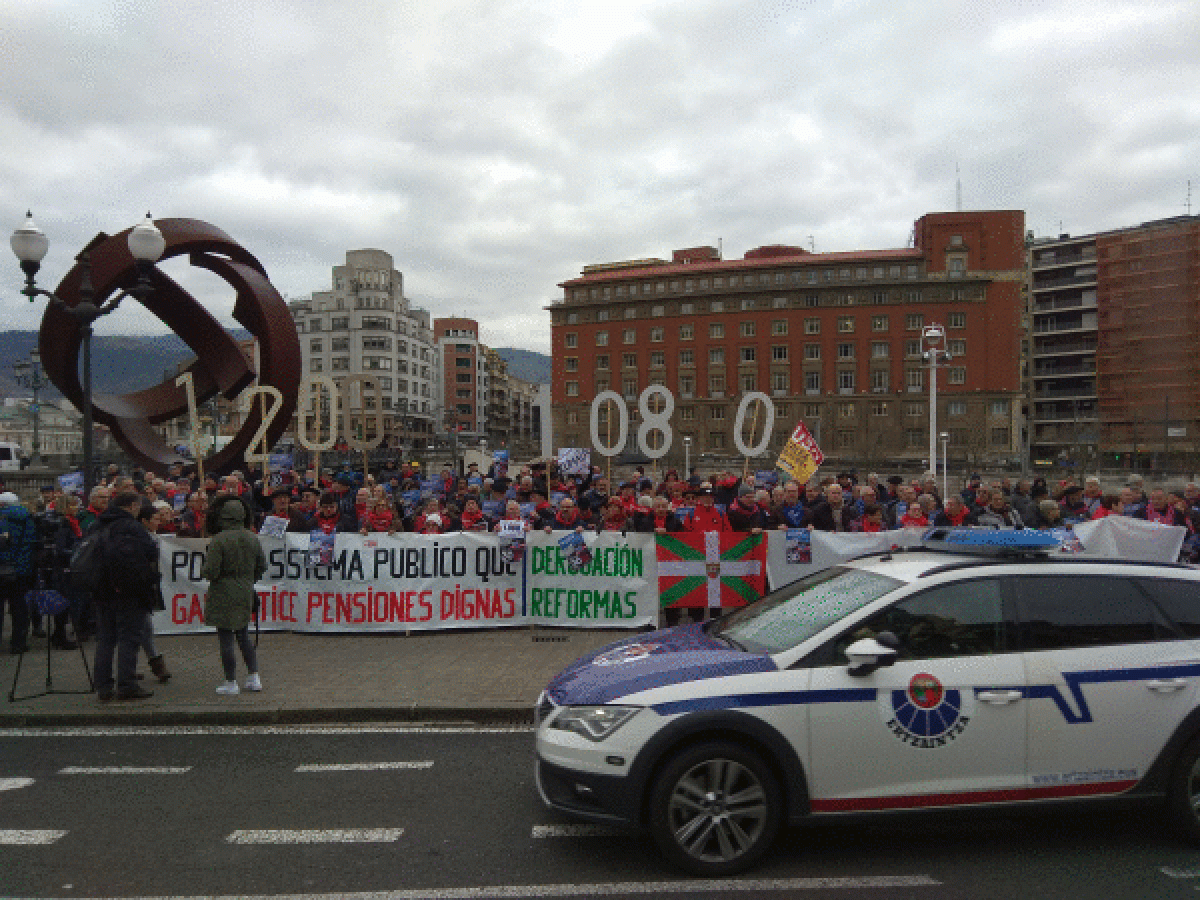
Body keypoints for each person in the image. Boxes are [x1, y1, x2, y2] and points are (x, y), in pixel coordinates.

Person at [93, 491, 158, 701]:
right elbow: (150, 552)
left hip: (102, 590)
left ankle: (103, 686)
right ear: (131, 507)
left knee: (105, 639)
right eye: (137, 506)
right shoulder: (132, 527)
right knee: (129, 638)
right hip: (130, 591)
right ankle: (127, 684)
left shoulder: (98, 524)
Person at [200, 497, 267, 696]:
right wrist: (249, 579)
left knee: (226, 638)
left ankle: (231, 681)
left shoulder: (219, 539)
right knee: (244, 635)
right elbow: (262, 566)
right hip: (245, 589)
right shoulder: (252, 538)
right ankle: (254, 677)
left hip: (222, 591)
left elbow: (211, 571)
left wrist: (206, 571)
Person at [135, 500, 171, 683]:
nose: (159, 522)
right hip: (139, 588)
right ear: (145, 520)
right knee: (143, 627)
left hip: (144, 587)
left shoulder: (150, 536)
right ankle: (156, 664)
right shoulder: (142, 538)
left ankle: (131, 667)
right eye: (155, 519)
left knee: (141, 628)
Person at [0, 492, 39, 654]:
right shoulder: (27, 518)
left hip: (2, 567)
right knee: (19, 608)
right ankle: (18, 642)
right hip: (21, 570)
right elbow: (31, 543)